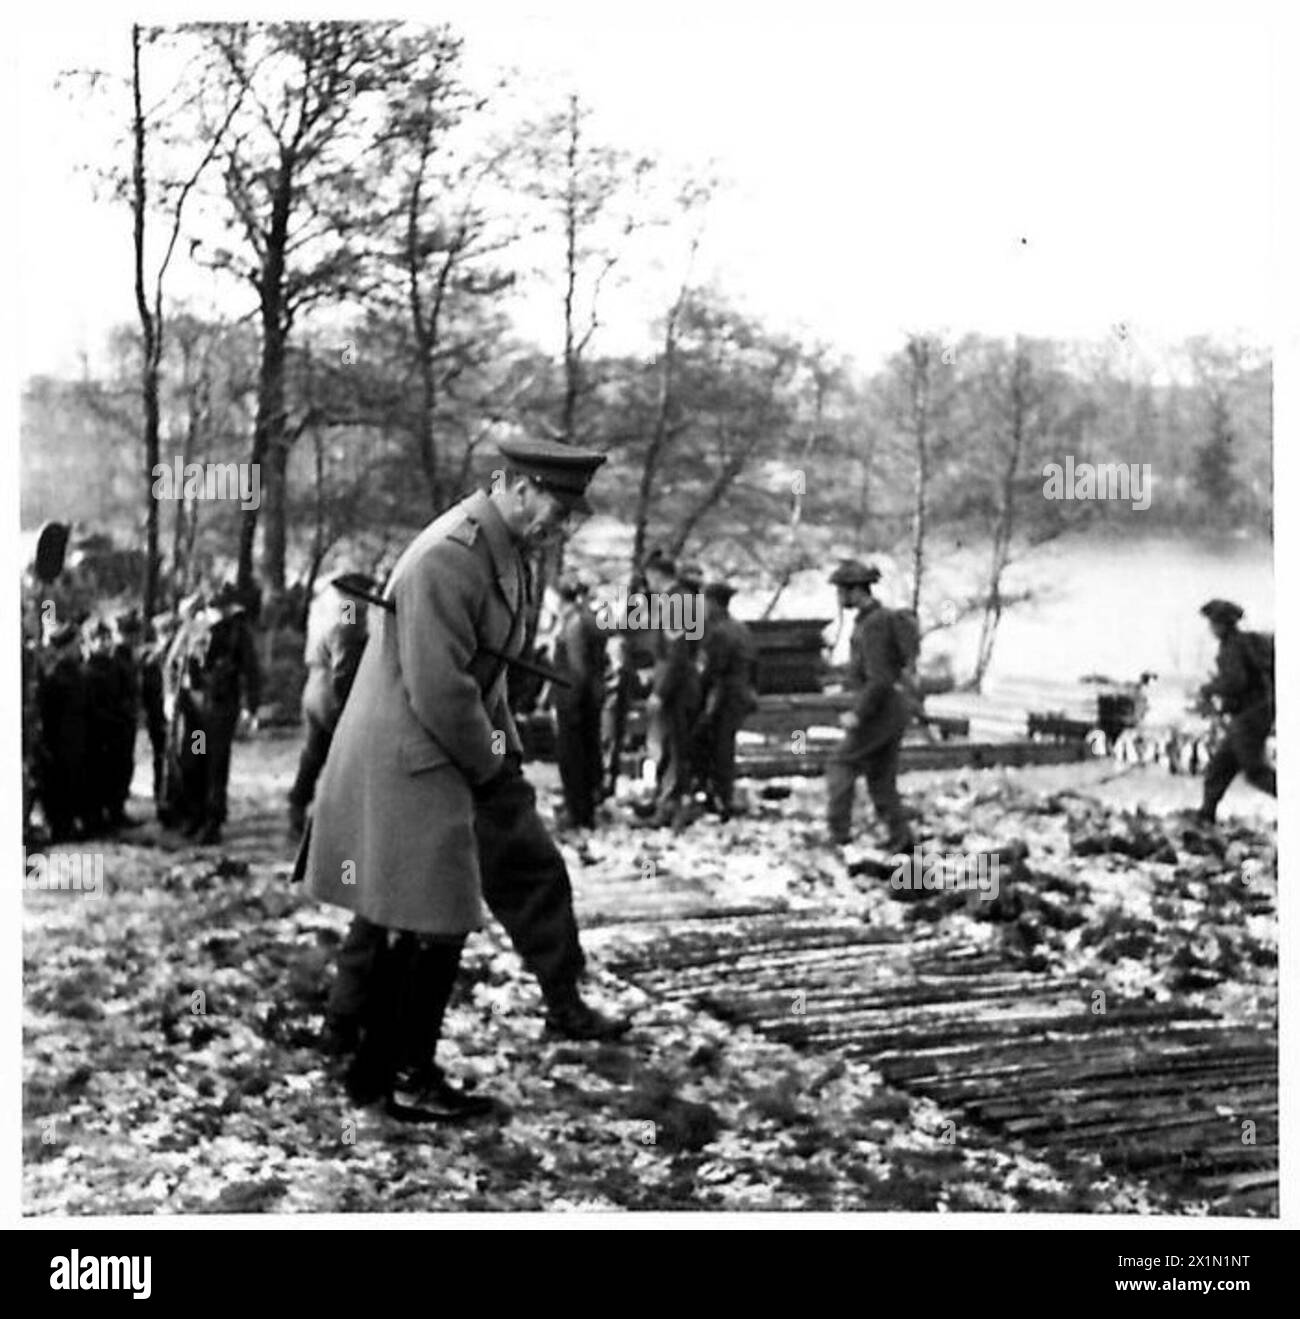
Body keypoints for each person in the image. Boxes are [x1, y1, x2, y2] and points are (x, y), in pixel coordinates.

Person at [305, 439, 628, 1125]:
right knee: (431, 922)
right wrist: (491, 764)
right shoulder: (454, 554)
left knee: (416, 919)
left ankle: (374, 1063)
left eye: (571, 514)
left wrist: (500, 749)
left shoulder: (500, 550)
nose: (561, 526)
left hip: (436, 754)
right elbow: (443, 691)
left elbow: (488, 670)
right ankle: (397, 1074)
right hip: (413, 760)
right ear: (512, 485)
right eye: (555, 508)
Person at [824, 559, 919, 852]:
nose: (839, 597)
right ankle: (900, 839)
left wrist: (858, 713)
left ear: (855, 591)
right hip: (893, 706)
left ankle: (838, 834)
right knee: (880, 778)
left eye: (842, 590)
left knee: (841, 762)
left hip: (882, 707)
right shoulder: (874, 620)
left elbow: (879, 678)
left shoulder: (874, 625)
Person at [287, 572, 374, 841]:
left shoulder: (322, 609)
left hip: (314, 687)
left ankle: (297, 808)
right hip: (333, 693)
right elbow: (344, 661)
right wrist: (350, 702)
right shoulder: (351, 612)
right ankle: (339, 823)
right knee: (348, 760)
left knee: (313, 754)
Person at [1195, 599, 1275, 823]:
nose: (1210, 628)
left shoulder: (1233, 647)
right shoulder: (1241, 644)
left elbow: (1236, 682)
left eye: (1213, 623)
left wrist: (1209, 688)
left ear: (1223, 624)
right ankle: (1206, 813)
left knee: (1255, 771)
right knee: (1220, 766)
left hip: (1251, 715)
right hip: (1250, 714)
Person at [643, 550, 702, 828]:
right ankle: (670, 803)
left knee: (672, 748)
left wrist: (660, 691)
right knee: (672, 747)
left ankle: (671, 807)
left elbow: (676, 654)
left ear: (655, 575)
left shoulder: (675, 602)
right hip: (681, 684)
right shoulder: (683, 599)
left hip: (676, 689)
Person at [693, 581, 758, 820]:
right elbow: (754, 666)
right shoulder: (741, 629)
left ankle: (720, 800)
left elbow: (711, 672)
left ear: (712, 603)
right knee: (724, 747)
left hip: (722, 697)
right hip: (739, 696)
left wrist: (699, 697)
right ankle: (721, 797)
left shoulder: (719, 633)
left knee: (716, 749)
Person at [550, 578, 606, 830]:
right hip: (590, 698)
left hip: (573, 700)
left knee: (571, 757)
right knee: (588, 753)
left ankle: (577, 812)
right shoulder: (591, 618)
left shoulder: (572, 624)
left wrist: (569, 704)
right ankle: (587, 809)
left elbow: (576, 667)